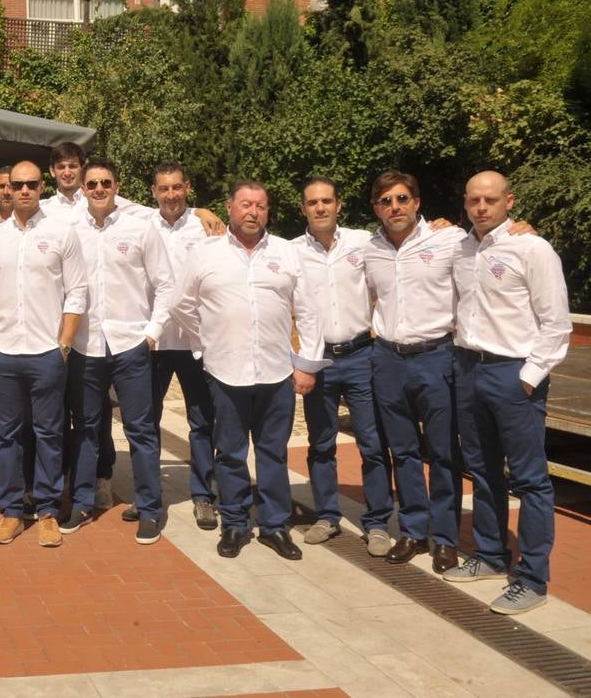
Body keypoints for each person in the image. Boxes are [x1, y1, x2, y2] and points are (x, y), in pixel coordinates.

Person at [170, 181, 326, 561]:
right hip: (225, 372)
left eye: (260, 205)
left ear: (268, 211)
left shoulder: (287, 253)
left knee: (273, 453)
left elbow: (307, 311)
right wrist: (206, 342)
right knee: (231, 454)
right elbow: (180, 304)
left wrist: (306, 363)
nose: (252, 212)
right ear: (230, 208)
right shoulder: (204, 254)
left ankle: (274, 526)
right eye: (245, 205)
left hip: (277, 373)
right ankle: (235, 524)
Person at [444, 171, 571, 615]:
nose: (482, 207)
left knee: (530, 480)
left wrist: (529, 376)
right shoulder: (459, 247)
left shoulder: (532, 249)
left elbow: (556, 322)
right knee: (481, 471)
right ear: (465, 202)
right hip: (468, 368)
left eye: (491, 199)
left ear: (509, 201)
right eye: (474, 199)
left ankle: (533, 578)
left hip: (513, 374)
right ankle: (492, 555)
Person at [0, 160, 87, 548]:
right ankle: (10, 511)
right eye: (15, 185)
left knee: (50, 434)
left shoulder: (62, 232)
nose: (22, 191)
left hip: (46, 353)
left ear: (42, 186)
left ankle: (48, 510)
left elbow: (77, 293)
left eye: (31, 184)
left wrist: (65, 345)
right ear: (3, 188)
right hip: (1, 353)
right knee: (7, 435)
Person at [362, 170, 467, 573]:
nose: (395, 207)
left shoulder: (450, 240)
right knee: (403, 451)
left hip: (435, 356)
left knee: (442, 453)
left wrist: (520, 228)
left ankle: (444, 538)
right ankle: (412, 530)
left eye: (402, 199)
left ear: (417, 203)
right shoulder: (369, 249)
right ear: (376, 208)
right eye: (386, 201)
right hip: (387, 358)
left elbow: (494, 247)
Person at [66, 158, 175, 542]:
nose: (98, 189)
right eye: (91, 183)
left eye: (105, 183)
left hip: (131, 344)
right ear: (82, 187)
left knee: (141, 430)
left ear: (116, 185)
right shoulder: (69, 228)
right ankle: (81, 502)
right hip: (85, 346)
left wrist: (152, 332)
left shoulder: (140, 227)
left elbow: (166, 284)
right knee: (86, 429)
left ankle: (149, 509)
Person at [292, 177, 395, 557]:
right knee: (321, 444)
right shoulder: (290, 252)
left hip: (361, 355)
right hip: (319, 361)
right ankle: (327, 515)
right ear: (303, 208)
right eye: (312, 202)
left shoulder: (364, 243)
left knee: (371, 443)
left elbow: (408, 239)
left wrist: (440, 224)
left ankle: (378, 521)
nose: (320, 208)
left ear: (338, 205)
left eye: (327, 201)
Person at [136, 162, 218, 531]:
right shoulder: (141, 223)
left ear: (186, 187)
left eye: (176, 188)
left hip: (194, 341)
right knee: (146, 423)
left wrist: (206, 212)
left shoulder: (205, 228)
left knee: (202, 421)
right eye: (163, 189)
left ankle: (203, 496)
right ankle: (149, 497)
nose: (170, 195)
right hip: (152, 340)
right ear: (153, 192)